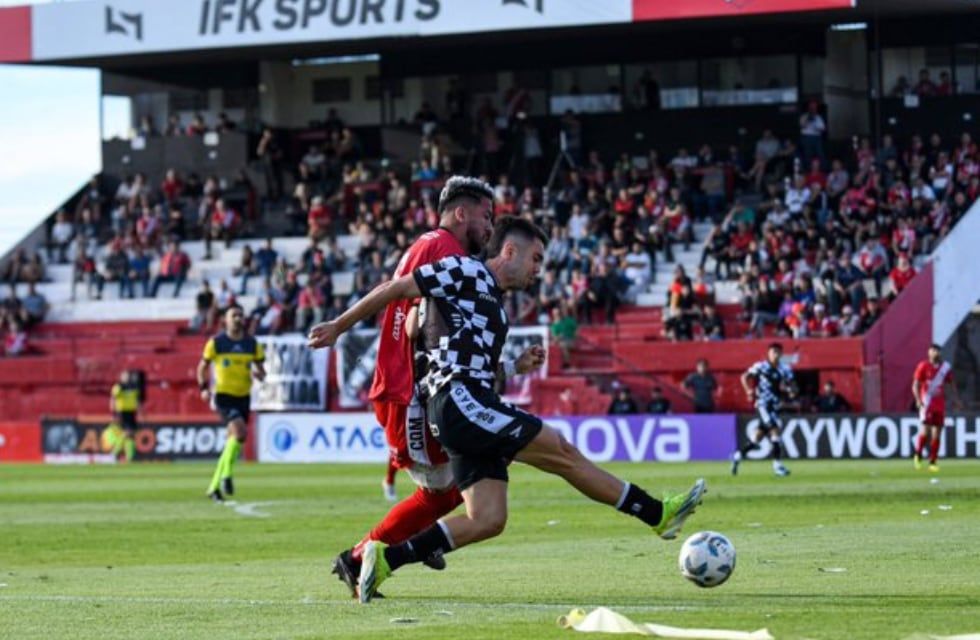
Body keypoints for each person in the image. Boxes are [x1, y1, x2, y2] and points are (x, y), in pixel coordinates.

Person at [309, 216, 706, 604]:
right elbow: (397, 289)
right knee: (562, 452)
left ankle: (385, 559)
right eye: (535, 259)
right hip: (458, 401)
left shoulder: (494, 307)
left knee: (488, 518)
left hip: (464, 403)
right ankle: (656, 513)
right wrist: (339, 326)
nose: (538, 270)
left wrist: (515, 367)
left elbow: (471, 363)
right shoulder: (466, 270)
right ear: (510, 250)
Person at [328, 176, 497, 591]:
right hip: (411, 391)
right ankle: (365, 556)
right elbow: (416, 322)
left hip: (408, 386)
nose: (491, 227)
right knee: (452, 490)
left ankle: (405, 545)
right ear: (462, 213)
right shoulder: (444, 247)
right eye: (486, 216)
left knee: (469, 479)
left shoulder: (432, 245)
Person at [197, 305, 266, 501]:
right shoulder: (216, 343)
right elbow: (202, 366)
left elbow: (261, 370)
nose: (238, 318)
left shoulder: (251, 344)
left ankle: (213, 487)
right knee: (240, 432)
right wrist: (203, 388)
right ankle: (227, 475)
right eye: (233, 315)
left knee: (233, 441)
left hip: (243, 396)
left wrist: (259, 374)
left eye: (240, 315)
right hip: (223, 396)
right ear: (225, 320)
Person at [732, 343, 795, 477]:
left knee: (756, 439)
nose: (775, 355)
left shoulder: (785, 369)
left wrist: (790, 392)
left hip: (775, 406)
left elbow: (791, 385)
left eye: (778, 352)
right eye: (773, 352)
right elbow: (744, 376)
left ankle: (738, 456)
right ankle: (777, 466)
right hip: (763, 405)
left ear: (781, 354)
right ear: (769, 354)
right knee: (776, 431)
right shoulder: (761, 366)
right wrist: (748, 390)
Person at [912, 344, 960, 472]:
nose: (935, 352)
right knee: (925, 432)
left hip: (939, 404)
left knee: (937, 434)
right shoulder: (923, 366)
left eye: (937, 350)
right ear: (929, 352)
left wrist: (956, 400)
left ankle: (933, 461)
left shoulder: (945, 368)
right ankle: (918, 454)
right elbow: (915, 385)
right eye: (933, 350)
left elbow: (951, 384)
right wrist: (918, 400)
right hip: (926, 403)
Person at [108, 370, 140, 463]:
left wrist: (140, 411)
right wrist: (113, 413)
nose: (127, 378)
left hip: (132, 412)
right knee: (127, 433)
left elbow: (137, 400)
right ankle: (115, 452)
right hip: (122, 411)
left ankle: (130, 457)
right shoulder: (118, 387)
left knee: (132, 434)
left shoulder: (134, 387)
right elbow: (113, 399)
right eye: (125, 376)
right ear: (121, 377)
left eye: (128, 376)